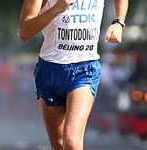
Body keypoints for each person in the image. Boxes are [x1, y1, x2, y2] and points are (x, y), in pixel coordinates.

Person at [18, 0, 128, 149]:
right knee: (59, 144)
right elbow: (24, 31)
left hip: (85, 69)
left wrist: (119, 22)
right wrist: (57, 8)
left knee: (71, 142)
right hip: (50, 70)